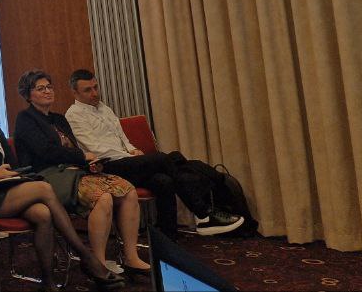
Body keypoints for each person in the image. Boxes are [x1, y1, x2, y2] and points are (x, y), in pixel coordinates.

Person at [0, 80, 122, 291]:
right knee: (44, 188)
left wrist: (4, 176)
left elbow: (14, 164)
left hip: (5, 187)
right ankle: (86, 256)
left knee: (42, 213)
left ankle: (48, 281)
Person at [64, 69, 243, 238]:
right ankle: (203, 213)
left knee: (164, 181)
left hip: (127, 161)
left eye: (96, 87)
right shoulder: (74, 115)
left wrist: (131, 149)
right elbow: (96, 148)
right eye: (88, 90)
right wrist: (131, 156)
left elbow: (121, 137)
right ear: (74, 92)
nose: (95, 93)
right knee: (165, 158)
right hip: (107, 166)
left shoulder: (104, 108)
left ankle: (168, 239)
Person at [12, 70, 147, 279]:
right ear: (28, 95)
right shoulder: (25, 119)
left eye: (49, 87)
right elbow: (46, 152)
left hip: (73, 172)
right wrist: (82, 156)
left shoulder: (58, 119)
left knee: (127, 190)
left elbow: (73, 150)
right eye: (41, 88)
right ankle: (98, 264)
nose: (47, 91)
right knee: (103, 198)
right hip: (44, 177)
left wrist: (90, 163)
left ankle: (131, 257)